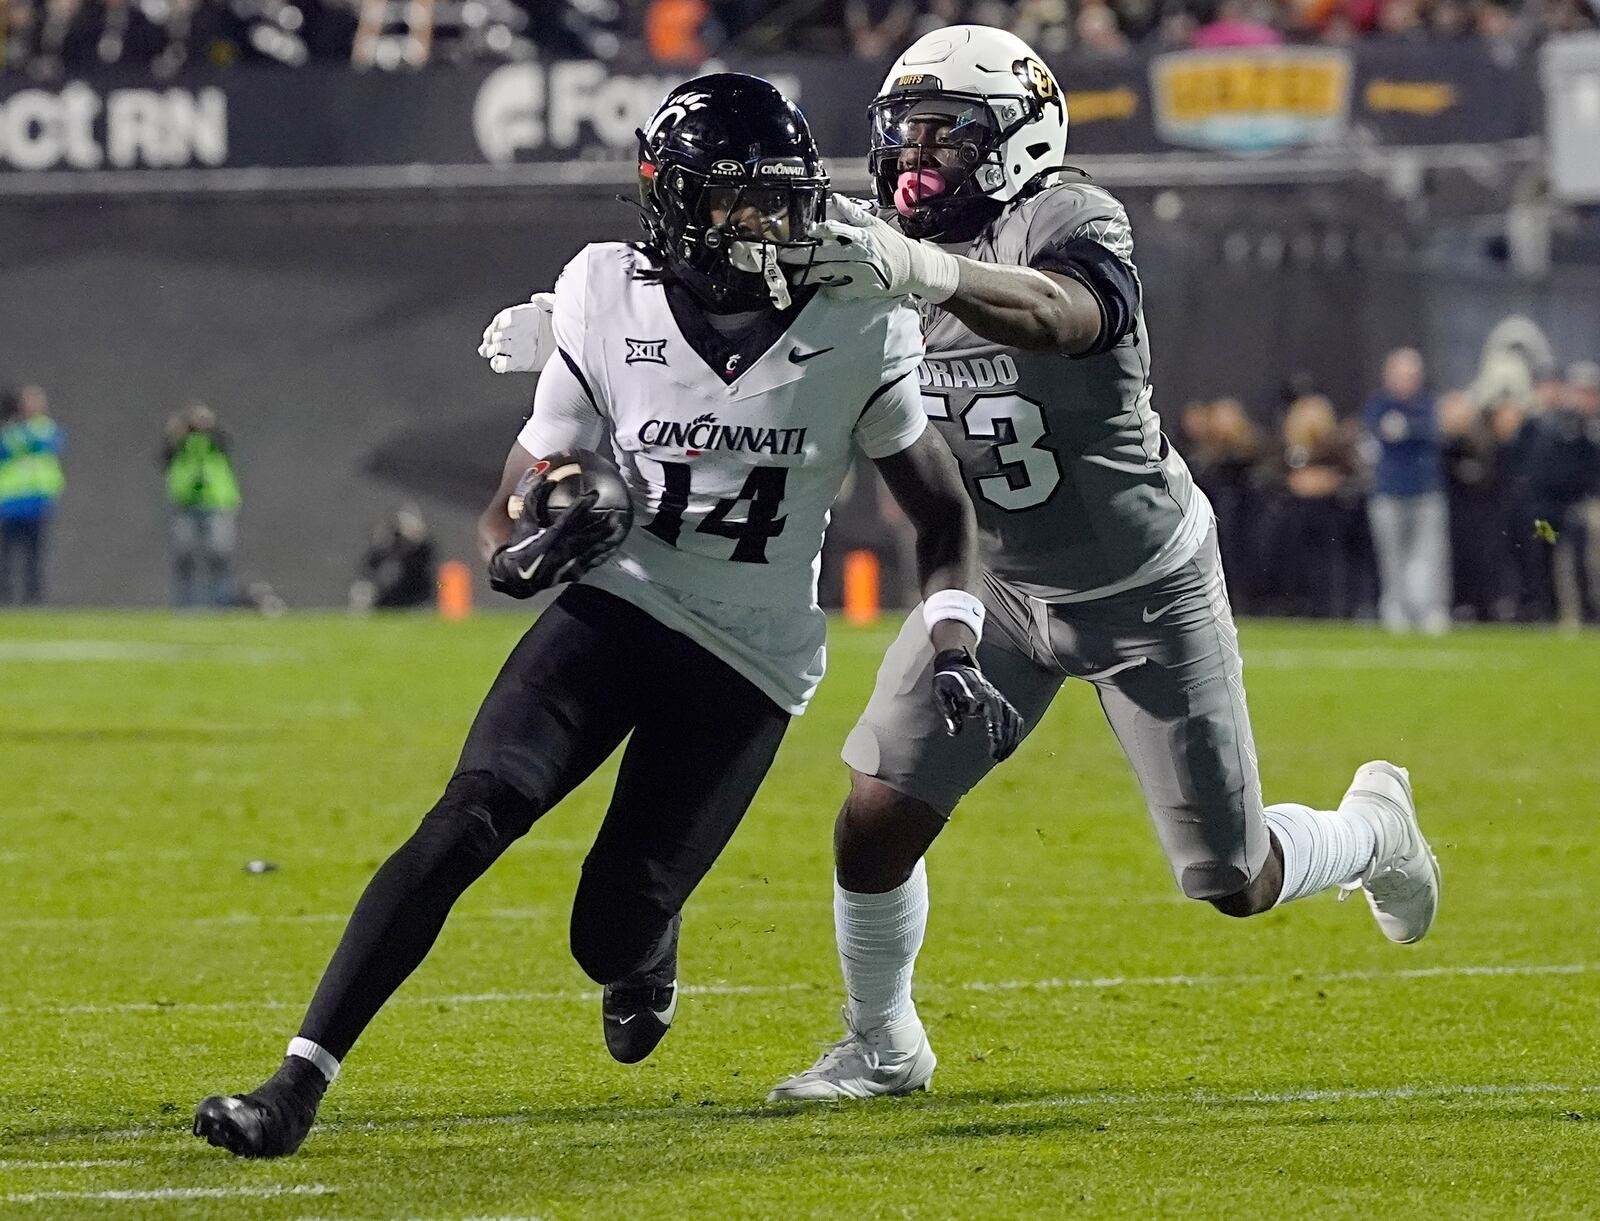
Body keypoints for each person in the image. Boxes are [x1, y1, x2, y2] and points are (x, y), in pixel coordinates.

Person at [193, 73, 1019, 1159]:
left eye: (780, 200)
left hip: (747, 661)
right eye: (735, 203)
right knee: (472, 813)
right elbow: (509, 505)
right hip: (618, 606)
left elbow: (937, 512)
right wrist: (531, 545)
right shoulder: (601, 291)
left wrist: (951, 637)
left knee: (606, 933)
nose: (766, 227)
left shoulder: (859, 318)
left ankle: (646, 946)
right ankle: (295, 1082)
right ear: (673, 202)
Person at [757, 26, 1437, 1098]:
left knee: (1233, 876)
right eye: (902, 136)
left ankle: (1370, 832)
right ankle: (883, 1045)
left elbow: (1068, 314)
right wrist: (592, 330)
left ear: (1019, 141)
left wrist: (925, 269)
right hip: (993, 584)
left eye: (945, 136)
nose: (913, 163)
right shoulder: (877, 242)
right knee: (876, 815)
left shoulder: (1064, 214)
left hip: (1142, 588)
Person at [1363, 348, 1450, 634]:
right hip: (1388, 492)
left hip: (1425, 491)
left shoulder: (1428, 405)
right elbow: (1376, 435)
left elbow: (1430, 433)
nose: (1406, 380)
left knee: (1430, 553)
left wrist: (1407, 430)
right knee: (1392, 555)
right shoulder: (1378, 404)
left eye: (1411, 375)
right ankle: (1395, 607)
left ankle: (1431, 609)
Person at [164, 402, 243, 609]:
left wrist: (209, 426)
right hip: (186, 504)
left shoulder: (215, 441)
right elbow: (164, 457)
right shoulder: (180, 444)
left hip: (217, 503)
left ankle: (221, 603)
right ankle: (185, 606)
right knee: (185, 556)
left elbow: (227, 442)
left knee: (219, 554)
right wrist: (176, 432)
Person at [0, 385, 65, 606]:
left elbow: (47, 443)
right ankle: (5, 598)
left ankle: (33, 600)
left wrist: (16, 432)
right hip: (9, 502)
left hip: (36, 502)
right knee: (6, 556)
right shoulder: (10, 429)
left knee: (34, 555)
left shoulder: (43, 428)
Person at [349, 505, 437, 611]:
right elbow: (370, 564)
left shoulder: (423, 547)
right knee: (364, 589)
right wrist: (385, 544)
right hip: (394, 592)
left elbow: (425, 564)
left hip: (417, 593)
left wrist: (412, 543)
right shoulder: (392, 542)